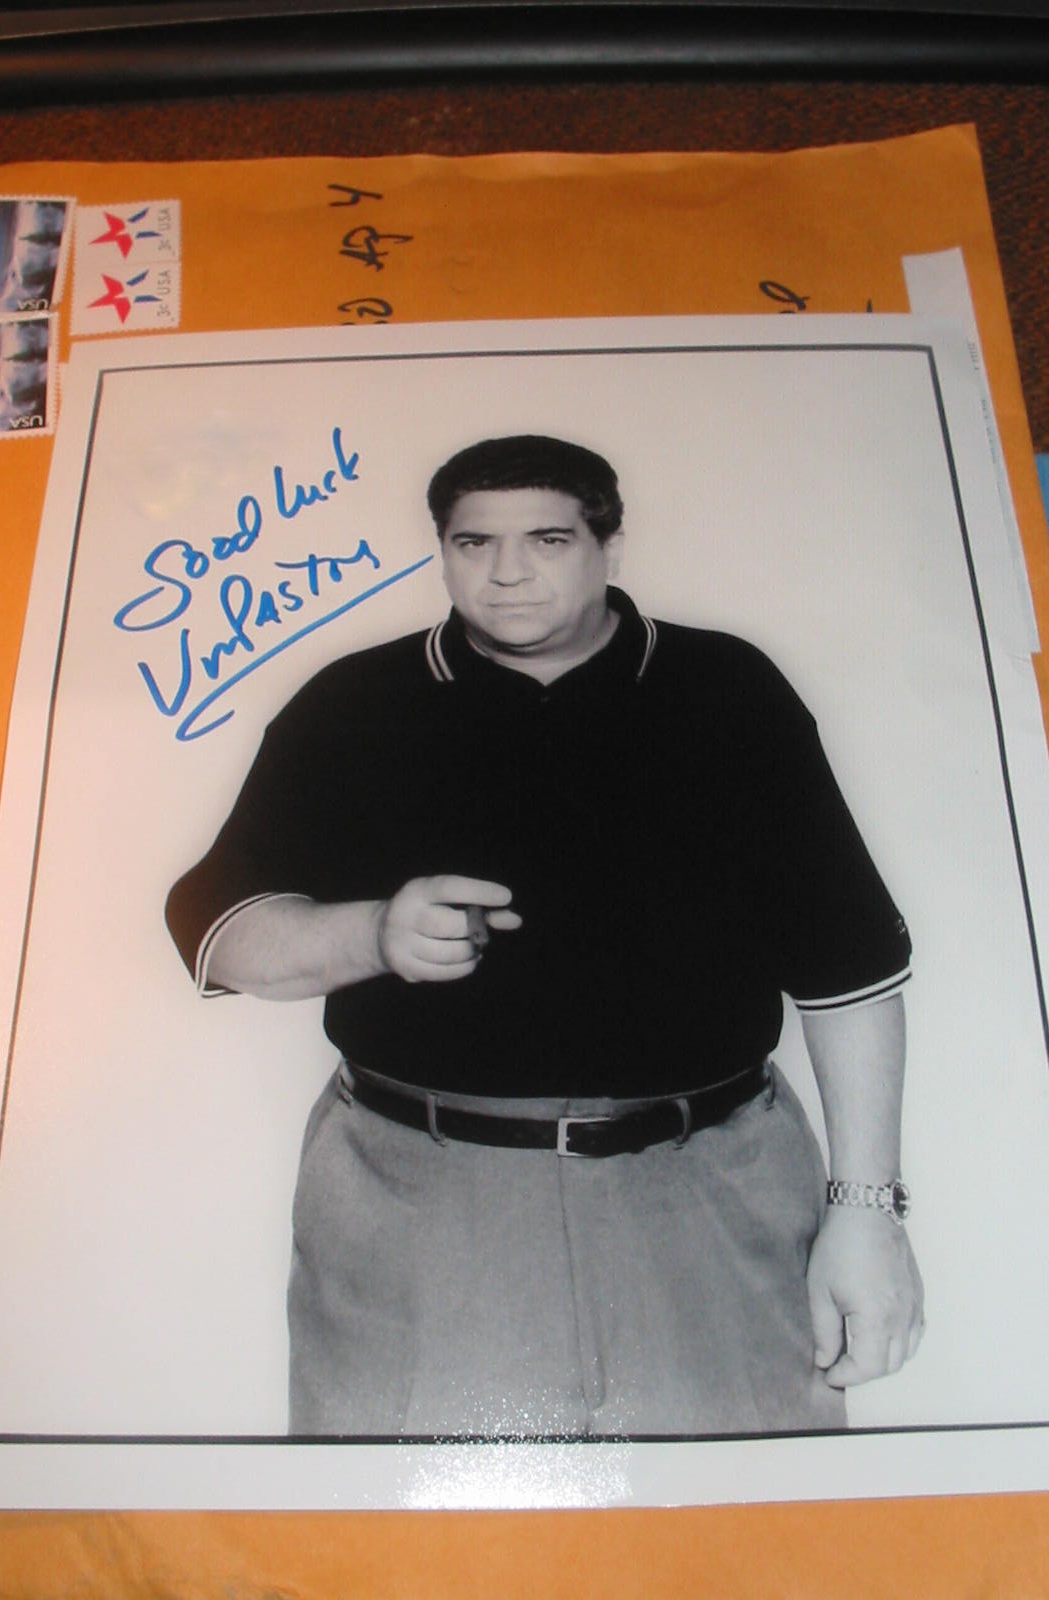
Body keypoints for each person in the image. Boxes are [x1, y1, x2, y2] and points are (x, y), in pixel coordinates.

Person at [166, 434, 924, 1439]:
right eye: (474, 542)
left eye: (548, 539)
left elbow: (849, 973)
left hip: (712, 1189)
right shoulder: (355, 705)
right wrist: (375, 933)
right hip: (417, 1196)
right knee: (404, 1528)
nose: (508, 572)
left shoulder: (729, 692)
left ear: (611, 545)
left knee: (750, 1519)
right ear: (442, 550)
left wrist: (867, 1211)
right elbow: (220, 931)